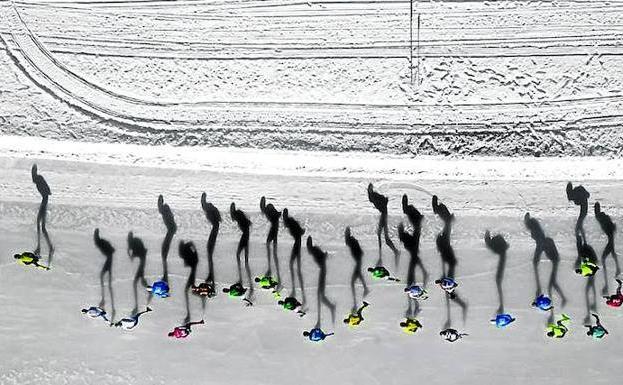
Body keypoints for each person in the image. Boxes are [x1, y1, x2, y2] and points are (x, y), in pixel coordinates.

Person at [368, 183, 400, 266]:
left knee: (383, 236)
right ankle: (387, 253)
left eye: (370, 189)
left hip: (384, 215)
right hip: (383, 214)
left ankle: (392, 252)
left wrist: (385, 201)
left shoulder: (374, 195)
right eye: (369, 189)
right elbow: (383, 200)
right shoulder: (371, 197)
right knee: (382, 236)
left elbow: (385, 200)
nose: (370, 190)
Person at [283, 208, 307, 310]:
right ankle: (295, 262)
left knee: (297, 243)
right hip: (296, 233)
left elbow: (295, 303)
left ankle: (295, 262)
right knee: (297, 243)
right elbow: (292, 303)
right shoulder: (288, 305)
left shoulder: (290, 305)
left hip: (297, 234)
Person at [31, 164, 54, 265]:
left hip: (44, 202)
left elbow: (47, 192)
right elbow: (47, 191)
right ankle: (42, 247)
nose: (32, 176)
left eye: (32, 174)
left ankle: (47, 248)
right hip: (44, 201)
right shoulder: (38, 180)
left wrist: (45, 199)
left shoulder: (38, 179)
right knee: (40, 226)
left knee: (42, 226)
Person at [260, 196, 282, 290]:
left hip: (275, 226)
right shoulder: (274, 214)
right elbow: (263, 207)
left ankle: (273, 252)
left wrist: (262, 200)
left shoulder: (271, 213)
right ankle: (274, 252)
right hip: (275, 226)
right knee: (271, 241)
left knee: (270, 241)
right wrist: (263, 200)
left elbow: (262, 207)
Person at [158, 195, 177, 284]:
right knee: (164, 252)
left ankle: (165, 276)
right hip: (171, 230)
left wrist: (160, 200)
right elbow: (160, 207)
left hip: (171, 230)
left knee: (164, 252)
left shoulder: (165, 211)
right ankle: (165, 275)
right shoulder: (166, 211)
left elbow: (160, 207)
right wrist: (160, 200)